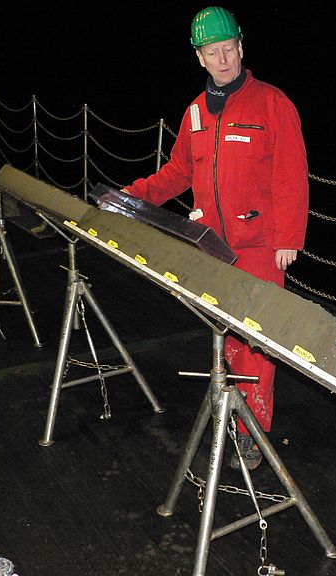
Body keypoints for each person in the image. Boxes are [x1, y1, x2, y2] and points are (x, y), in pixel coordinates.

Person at [121, 6, 309, 470]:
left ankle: (251, 433)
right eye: (212, 52)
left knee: (255, 343)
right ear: (199, 58)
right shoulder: (195, 114)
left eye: (229, 49)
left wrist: (289, 238)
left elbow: (291, 175)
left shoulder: (272, 103)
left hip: (261, 247)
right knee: (225, 336)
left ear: (241, 48)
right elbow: (179, 171)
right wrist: (133, 195)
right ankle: (232, 414)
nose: (223, 59)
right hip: (212, 246)